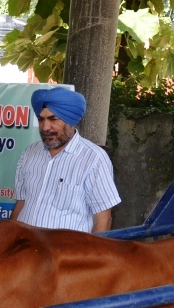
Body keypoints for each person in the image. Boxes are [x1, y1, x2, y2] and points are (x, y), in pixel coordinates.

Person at [10, 87, 121, 232]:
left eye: (53, 119)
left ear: (70, 120)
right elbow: (21, 204)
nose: (45, 127)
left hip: (65, 253)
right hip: (26, 249)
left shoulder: (93, 159)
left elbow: (103, 221)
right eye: (41, 119)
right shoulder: (30, 153)